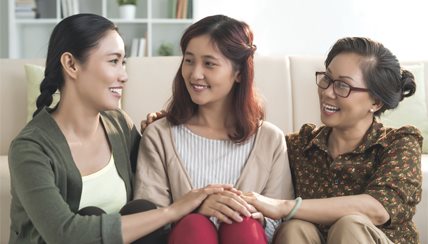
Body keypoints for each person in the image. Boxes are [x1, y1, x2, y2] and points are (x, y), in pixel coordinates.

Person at [8, 13, 233, 244]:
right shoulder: (30, 149)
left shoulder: (120, 125)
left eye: (123, 62)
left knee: (142, 208)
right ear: (71, 64)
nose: (124, 76)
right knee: (90, 216)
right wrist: (174, 211)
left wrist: (159, 134)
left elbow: (157, 184)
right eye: (113, 61)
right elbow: (65, 234)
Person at [242, 37, 423, 244]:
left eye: (342, 86)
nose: (327, 92)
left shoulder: (400, 143)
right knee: (295, 228)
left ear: (376, 101)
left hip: (363, 237)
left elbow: (378, 209)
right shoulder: (300, 146)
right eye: (327, 79)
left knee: (349, 225)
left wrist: (284, 206)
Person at [134, 15, 294, 243]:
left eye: (209, 63)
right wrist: (197, 208)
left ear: (239, 73)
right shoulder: (159, 135)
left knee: (242, 223)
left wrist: (256, 217)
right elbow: (148, 223)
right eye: (189, 61)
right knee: (195, 226)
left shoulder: (270, 140)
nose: (195, 74)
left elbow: (280, 223)